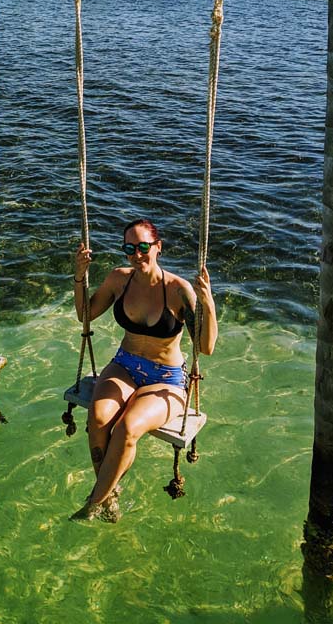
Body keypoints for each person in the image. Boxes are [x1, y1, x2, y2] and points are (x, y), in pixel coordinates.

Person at [70, 217, 217, 522]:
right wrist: (79, 276)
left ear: (157, 247)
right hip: (125, 365)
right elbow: (85, 316)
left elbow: (205, 347)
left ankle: (93, 503)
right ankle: (108, 494)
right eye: (129, 248)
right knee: (97, 418)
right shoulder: (118, 279)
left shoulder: (178, 290)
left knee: (127, 428)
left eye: (143, 246)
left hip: (166, 379)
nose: (136, 254)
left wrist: (209, 304)